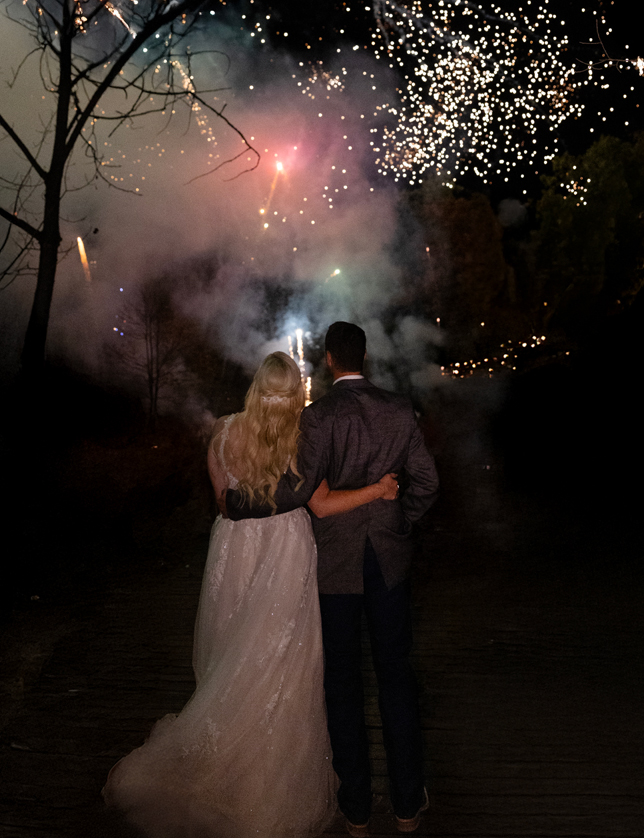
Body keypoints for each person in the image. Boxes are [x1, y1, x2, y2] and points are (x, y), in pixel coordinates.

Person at [103, 350, 399, 838]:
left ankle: (220, 761)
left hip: (233, 552)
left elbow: (224, 502)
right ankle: (262, 781)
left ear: (255, 386)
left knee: (233, 655)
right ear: (297, 391)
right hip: (285, 552)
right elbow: (321, 506)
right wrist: (379, 489)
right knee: (280, 664)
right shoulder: (304, 438)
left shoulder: (222, 432)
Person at [299, 322, 440, 837]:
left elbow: (303, 487)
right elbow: (426, 481)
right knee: (395, 676)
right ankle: (406, 804)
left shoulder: (317, 417)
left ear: (330, 360)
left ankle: (356, 808)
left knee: (342, 680)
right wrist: (401, 521)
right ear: (365, 357)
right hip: (388, 559)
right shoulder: (398, 409)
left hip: (336, 561)